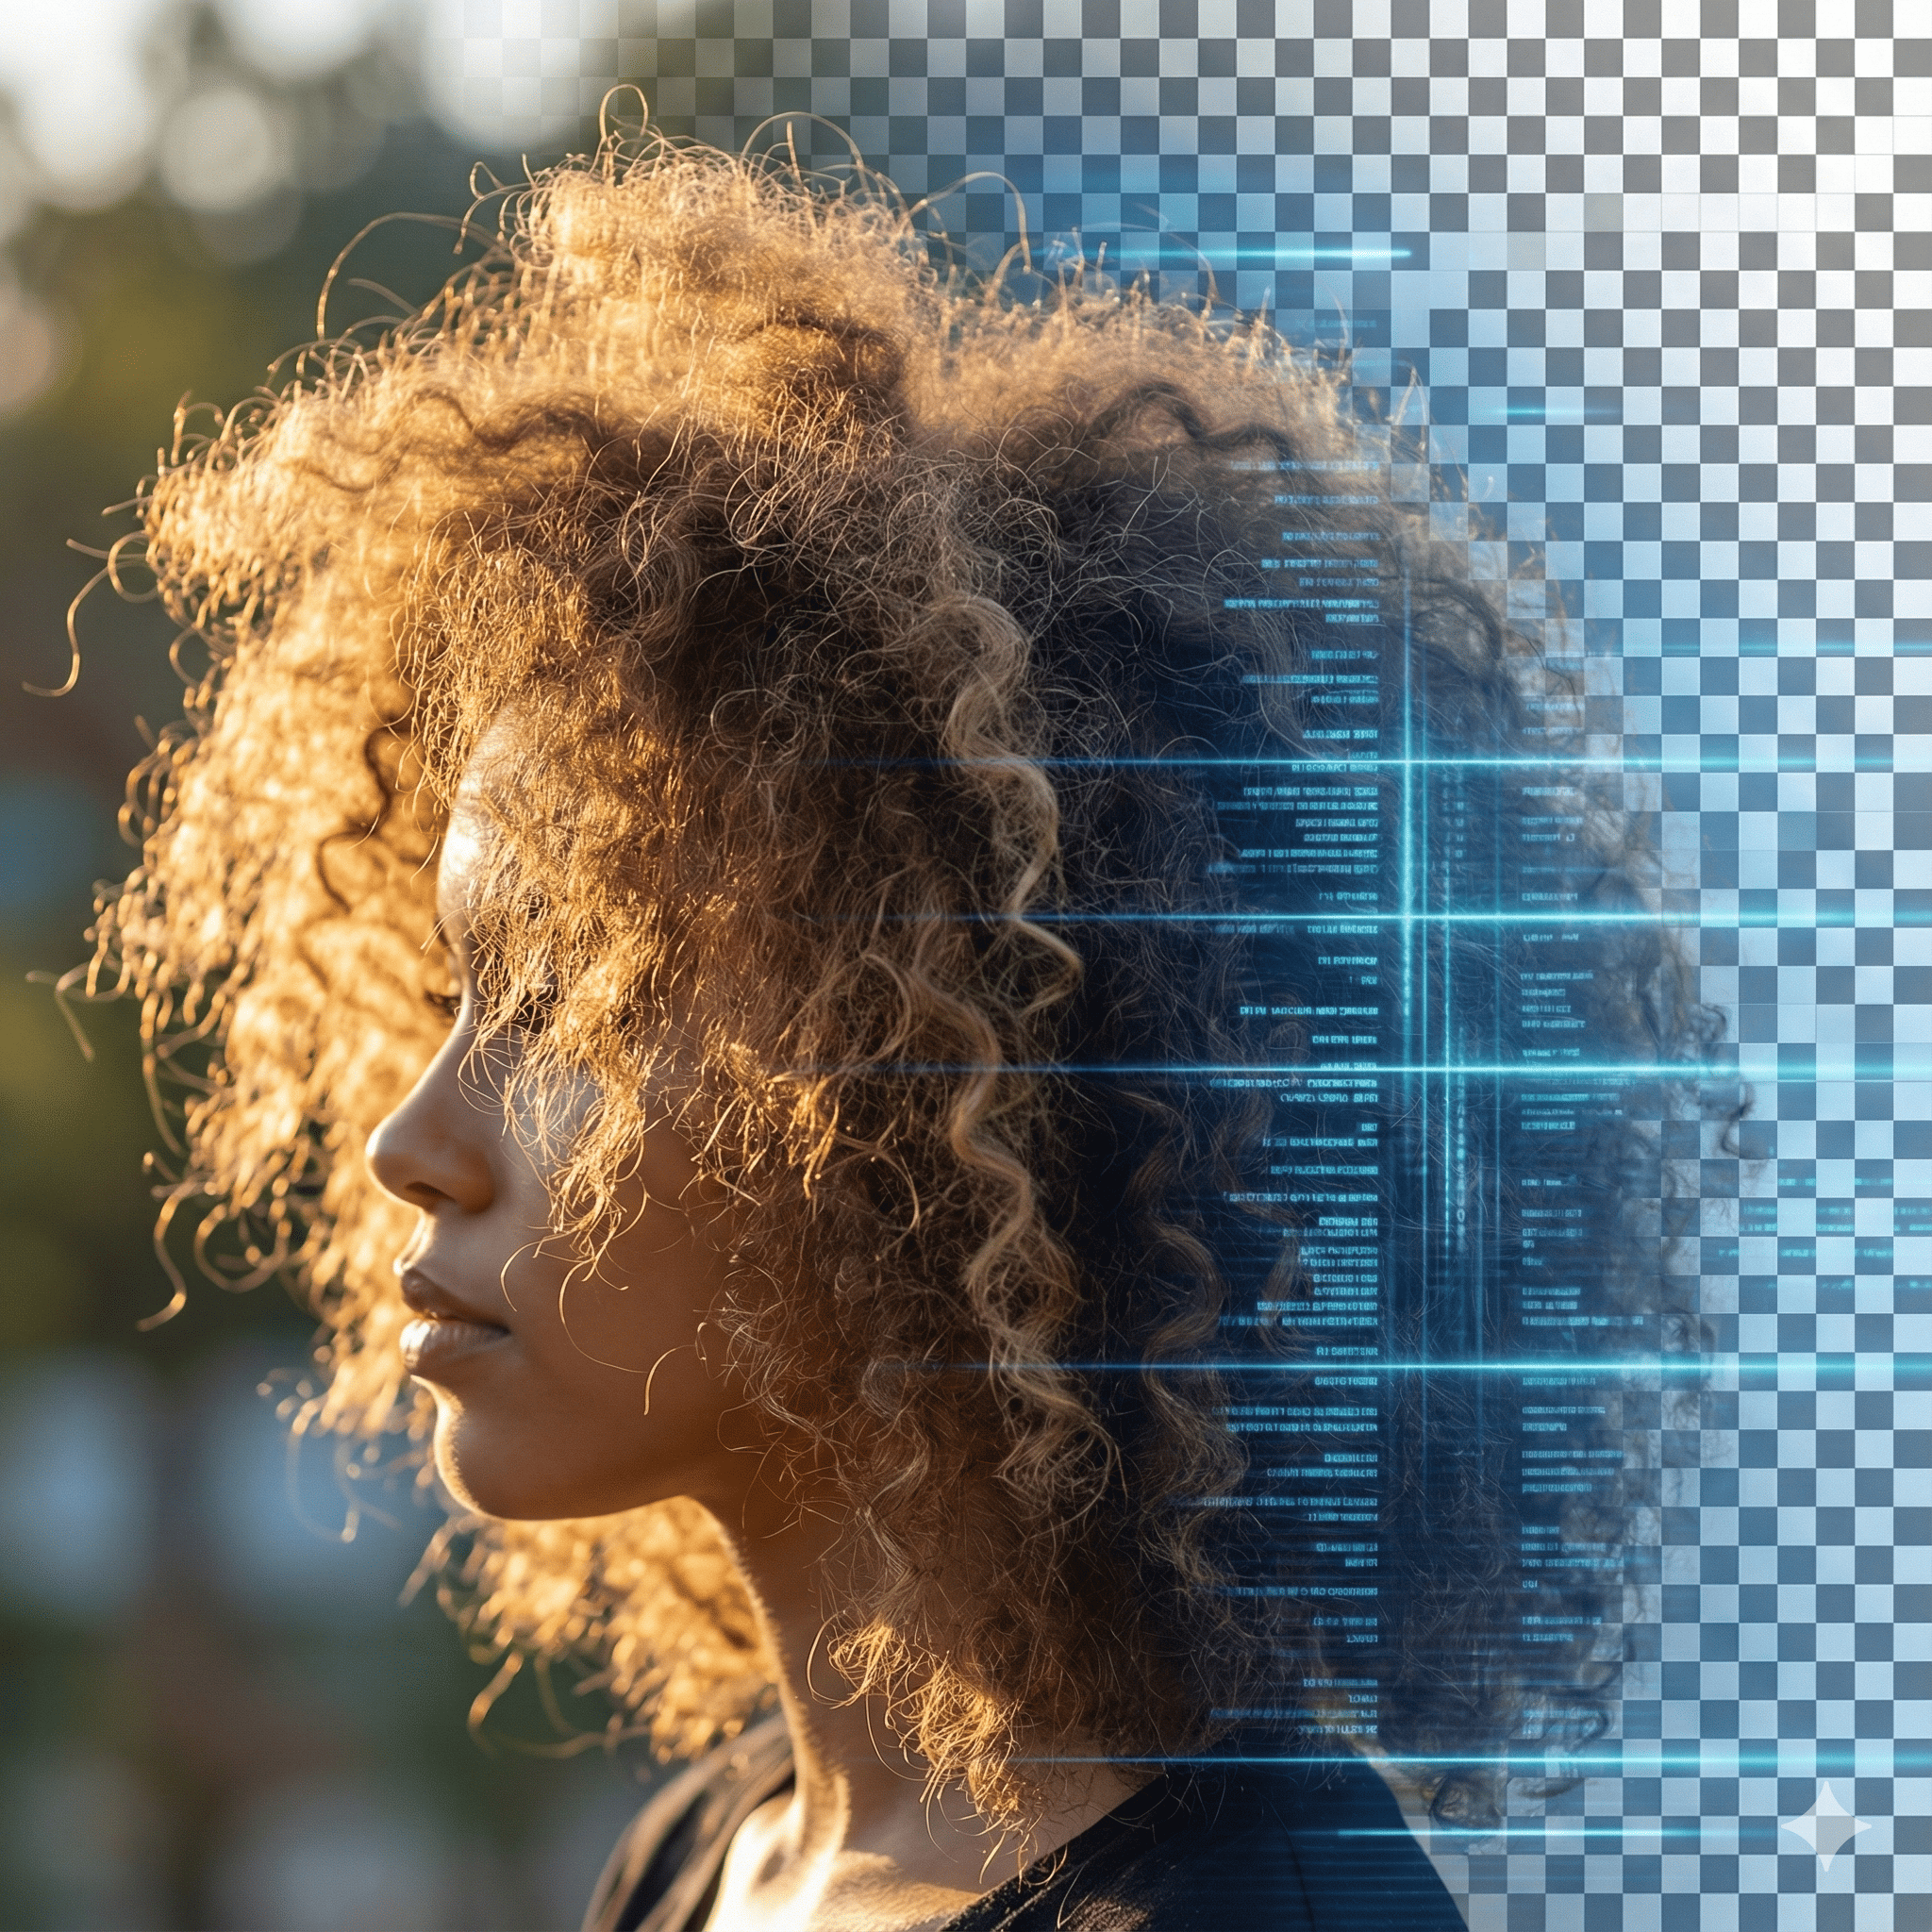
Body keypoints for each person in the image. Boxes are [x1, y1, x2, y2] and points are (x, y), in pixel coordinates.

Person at [89, 127, 1702, 1929]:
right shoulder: (714, 1862)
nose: (413, 1137)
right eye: (461, 988)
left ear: (907, 1090)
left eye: (570, 1003)